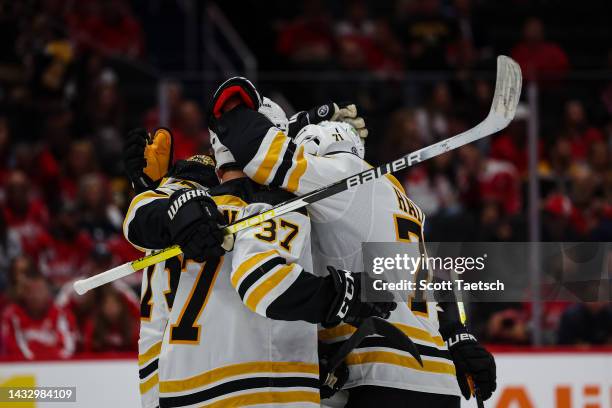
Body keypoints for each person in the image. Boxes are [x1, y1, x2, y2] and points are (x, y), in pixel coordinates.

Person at [208, 77, 496, 407]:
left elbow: (266, 158)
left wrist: (230, 108)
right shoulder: (401, 199)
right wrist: (459, 335)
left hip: (383, 373)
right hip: (439, 377)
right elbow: (435, 282)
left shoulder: (339, 175)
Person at [122, 127, 394, 407]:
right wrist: (339, 302)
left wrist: (152, 189)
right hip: (261, 383)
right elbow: (263, 287)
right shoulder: (274, 205)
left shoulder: (166, 207)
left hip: (172, 379)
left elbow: (137, 220)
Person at [0, 256, 76, 359]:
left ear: (48, 292)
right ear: (24, 293)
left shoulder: (60, 313)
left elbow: (68, 348)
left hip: (57, 369)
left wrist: (48, 364)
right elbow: (14, 349)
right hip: (24, 372)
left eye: (40, 291)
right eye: (31, 291)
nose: (36, 296)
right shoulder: (12, 315)